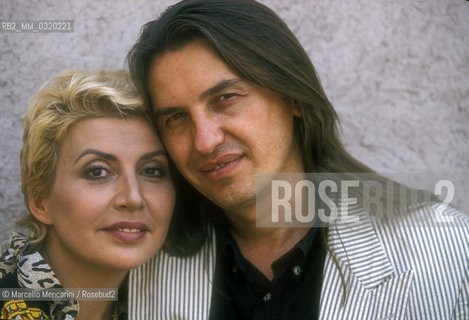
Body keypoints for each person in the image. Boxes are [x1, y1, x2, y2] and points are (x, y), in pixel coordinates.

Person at [126, 0, 469, 319]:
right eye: (176, 119)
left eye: (226, 98)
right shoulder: (137, 263)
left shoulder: (447, 251)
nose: (204, 141)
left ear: (293, 97)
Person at [0, 69, 176, 320]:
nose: (134, 198)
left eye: (152, 170)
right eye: (98, 172)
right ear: (40, 201)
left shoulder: (175, 300)